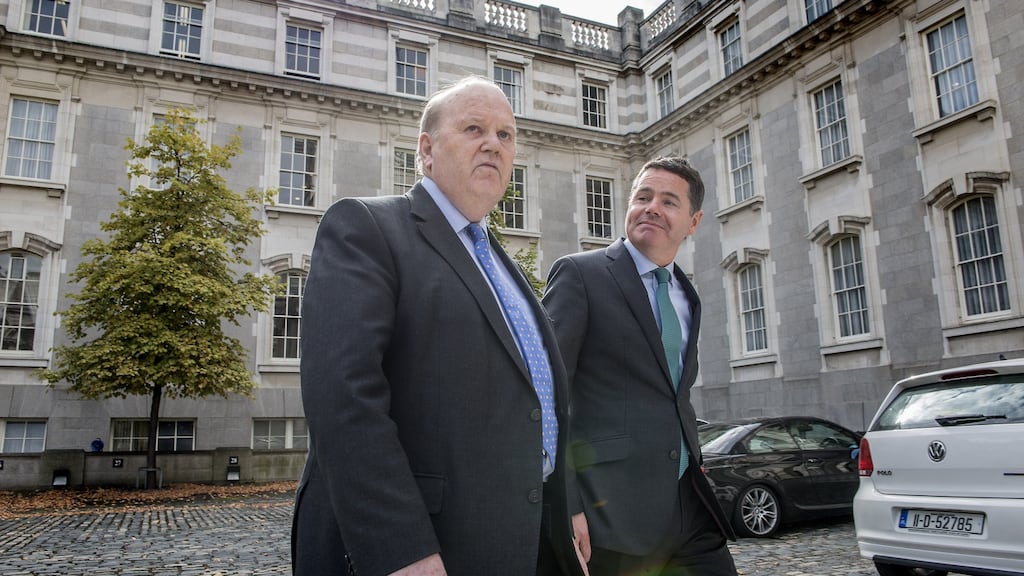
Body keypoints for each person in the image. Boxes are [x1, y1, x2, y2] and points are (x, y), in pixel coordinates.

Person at [292, 76, 587, 576]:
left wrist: (567, 500)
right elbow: (343, 400)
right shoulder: (366, 227)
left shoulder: (503, 263)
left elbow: (537, 400)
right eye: (474, 128)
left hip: (530, 538)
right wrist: (399, 548)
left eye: (506, 134)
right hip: (427, 548)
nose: (493, 143)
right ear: (426, 151)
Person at [542, 156, 738, 576]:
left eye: (668, 201)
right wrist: (567, 504)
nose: (651, 207)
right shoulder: (580, 275)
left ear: (693, 221)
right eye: (643, 196)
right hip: (613, 517)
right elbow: (545, 394)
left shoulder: (687, 295)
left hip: (690, 507)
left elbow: (672, 394)